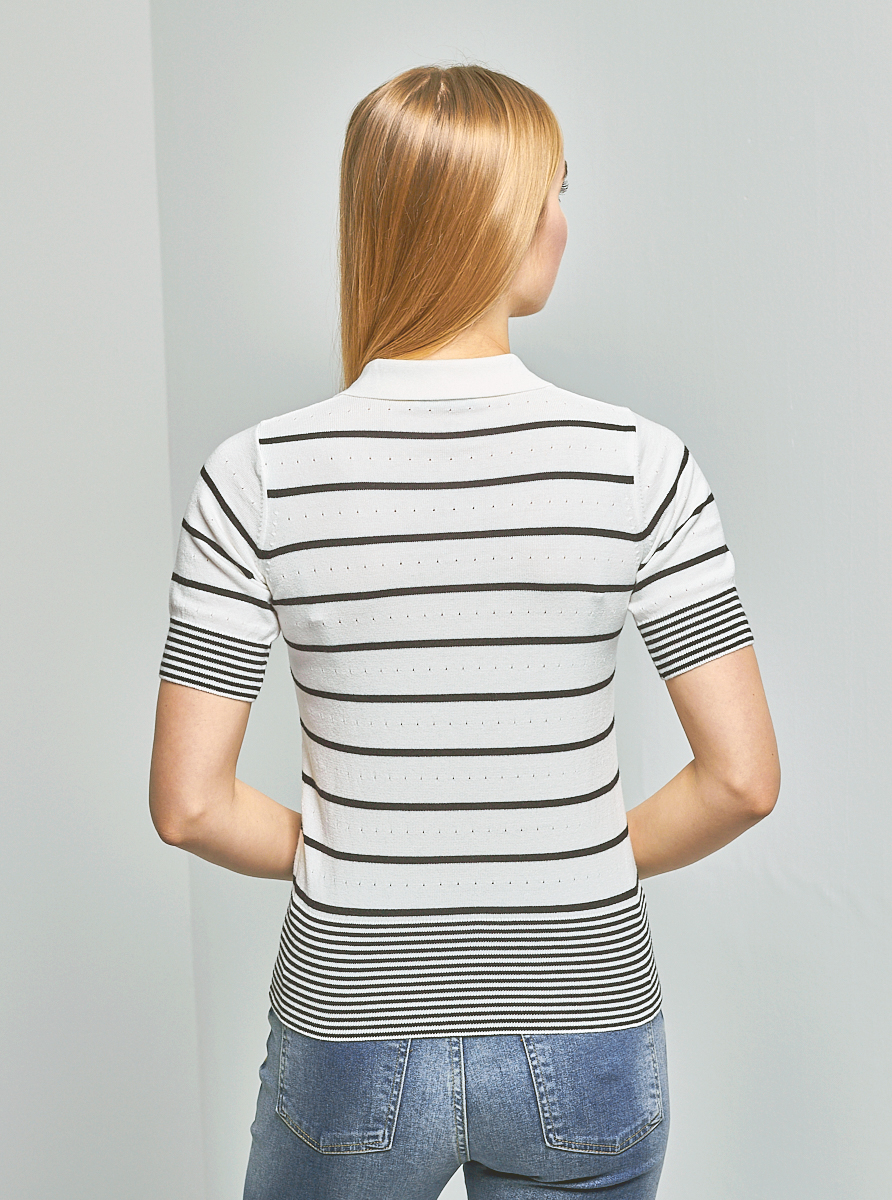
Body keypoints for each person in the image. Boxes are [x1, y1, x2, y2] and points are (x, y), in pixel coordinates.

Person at [149, 63, 780, 1200]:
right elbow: (742, 781)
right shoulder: (641, 465)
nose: (561, 223)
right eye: (551, 193)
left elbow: (189, 805)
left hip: (352, 1012)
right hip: (585, 1010)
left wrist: (356, 856)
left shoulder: (255, 478)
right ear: (492, 219)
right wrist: (566, 859)